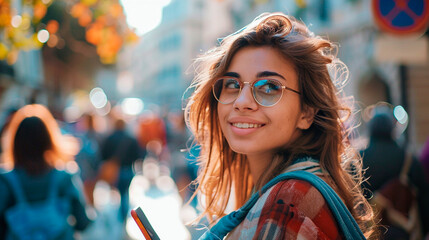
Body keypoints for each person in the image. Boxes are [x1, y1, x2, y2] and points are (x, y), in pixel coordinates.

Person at [184, 12, 376, 239]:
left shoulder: (287, 203)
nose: (242, 102)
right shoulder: (291, 191)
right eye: (232, 84)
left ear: (306, 112)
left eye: (269, 87)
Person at [0, 104, 92, 239]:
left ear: (15, 142)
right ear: (49, 140)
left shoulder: (6, 181)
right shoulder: (65, 177)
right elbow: (83, 222)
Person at [361, 106, 429, 239]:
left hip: (369, 232)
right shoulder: (407, 158)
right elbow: (424, 197)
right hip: (401, 231)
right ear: (392, 129)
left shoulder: (359, 159)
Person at [99, 117, 144, 222]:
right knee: (125, 193)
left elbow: (103, 155)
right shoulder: (131, 139)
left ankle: (118, 214)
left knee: (117, 192)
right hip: (128, 170)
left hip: (115, 171)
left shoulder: (109, 138)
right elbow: (138, 155)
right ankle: (123, 215)